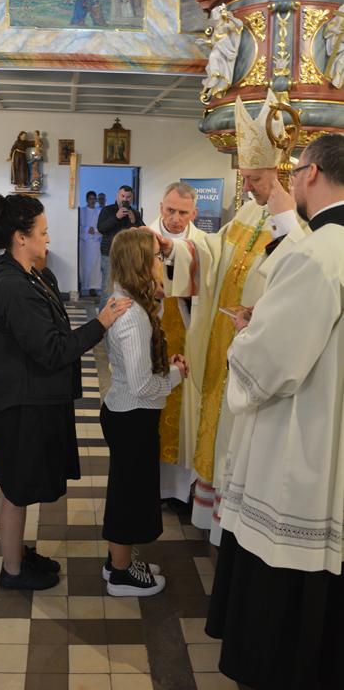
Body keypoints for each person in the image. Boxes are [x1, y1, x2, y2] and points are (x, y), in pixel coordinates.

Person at [206, 133, 344, 690]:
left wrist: (246, 334)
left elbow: (270, 365)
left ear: (309, 173)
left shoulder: (318, 253)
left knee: (282, 589)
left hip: (302, 440)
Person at [156, 89, 305, 545]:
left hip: (252, 346)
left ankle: (234, 522)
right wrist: (174, 248)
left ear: (278, 173)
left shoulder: (297, 222)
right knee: (215, 425)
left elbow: (297, 279)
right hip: (221, 341)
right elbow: (214, 251)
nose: (248, 186)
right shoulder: (247, 211)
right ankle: (209, 510)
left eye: (255, 179)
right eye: (246, 178)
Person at [0, 194, 131, 591]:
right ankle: (12, 571)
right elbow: (53, 350)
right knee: (16, 488)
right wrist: (102, 322)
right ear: (21, 237)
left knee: (22, 483)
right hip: (16, 402)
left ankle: (19, 553)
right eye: (42, 232)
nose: (48, 237)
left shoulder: (33, 275)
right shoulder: (12, 286)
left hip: (28, 395)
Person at [100, 228, 189, 597]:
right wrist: (176, 374)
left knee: (127, 490)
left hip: (127, 413)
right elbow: (142, 386)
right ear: (139, 262)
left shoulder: (129, 301)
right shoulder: (132, 315)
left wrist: (164, 366)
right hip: (132, 415)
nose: (160, 262)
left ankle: (117, 561)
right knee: (128, 496)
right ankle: (121, 574)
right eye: (156, 256)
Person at [149, 182, 205, 505]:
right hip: (152, 336)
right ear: (160, 207)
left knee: (185, 413)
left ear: (194, 213)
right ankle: (153, 487)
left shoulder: (202, 245)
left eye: (183, 212)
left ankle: (181, 491)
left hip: (188, 336)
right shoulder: (143, 239)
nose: (175, 218)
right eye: (170, 210)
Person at [97, 185, 144, 310]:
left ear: (132, 198)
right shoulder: (107, 210)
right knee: (107, 291)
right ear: (117, 196)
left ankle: (123, 318)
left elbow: (143, 232)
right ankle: (103, 321)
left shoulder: (135, 213)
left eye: (128, 197)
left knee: (128, 289)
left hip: (129, 257)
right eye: (123, 196)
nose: (125, 199)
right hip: (109, 255)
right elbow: (101, 228)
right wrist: (116, 217)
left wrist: (135, 222)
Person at [79, 190, 101, 297]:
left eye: (94, 199)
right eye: (90, 199)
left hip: (95, 243)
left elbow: (102, 226)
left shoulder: (99, 212)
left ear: (96, 200)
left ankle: (93, 287)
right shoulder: (81, 211)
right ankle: (82, 285)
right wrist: (87, 229)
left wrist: (95, 230)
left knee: (94, 266)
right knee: (84, 265)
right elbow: (77, 226)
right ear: (87, 200)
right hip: (84, 243)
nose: (92, 201)